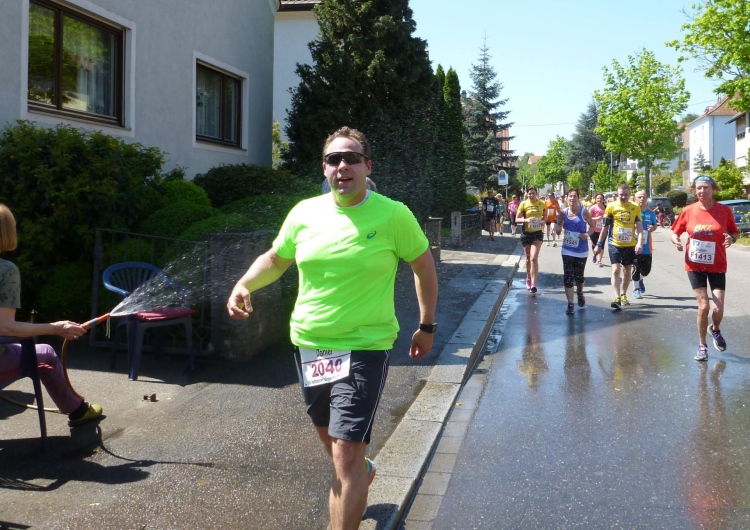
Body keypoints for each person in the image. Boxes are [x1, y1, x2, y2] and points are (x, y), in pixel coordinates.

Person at [227, 126, 438, 529]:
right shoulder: (304, 213)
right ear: (324, 169)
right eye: (333, 159)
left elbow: (423, 267)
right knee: (330, 437)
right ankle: (363, 470)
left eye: (351, 158)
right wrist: (244, 284)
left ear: (367, 166)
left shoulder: (394, 215)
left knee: (344, 451)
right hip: (311, 344)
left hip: (365, 346)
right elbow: (277, 258)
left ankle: (352, 479)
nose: (342, 165)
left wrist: (426, 325)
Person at [0, 204, 102, 427]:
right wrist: (56, 328)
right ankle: (77, 411)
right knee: (45, 352)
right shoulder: (6, 270)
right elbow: (5, 327)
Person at [670, 175, 739, 363]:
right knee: (704, 306)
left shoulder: (724, 211)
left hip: (717, 264)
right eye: (699, 188)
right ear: (694, 190)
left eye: (706, 187)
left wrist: (731, 238)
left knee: (718, 308)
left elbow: (735, 231)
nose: (702, 191)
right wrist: (676, 240)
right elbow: (675, 232)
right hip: (694, 264)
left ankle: (715, 329)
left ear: (713, 189)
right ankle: (702, 346)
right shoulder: (688, 211)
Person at [597, 183, 643, 311]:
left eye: (626, 195)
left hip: (629, 244)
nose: (623, 197)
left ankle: (623, 294)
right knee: (616, 270)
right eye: (621, 195)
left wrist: (639, 243)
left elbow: (640, 228)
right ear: (617, 194)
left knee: (627, 270)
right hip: (614, 244)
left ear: (630, 195)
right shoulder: (611, 207)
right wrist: (599, 244)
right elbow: (605, 228)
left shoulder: (635, 207)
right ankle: (616, 297)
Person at [556, 189, 596, 315]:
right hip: (567, 249)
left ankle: (580, 292)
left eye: (574, 196)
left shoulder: (584, 212)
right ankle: (570, 304)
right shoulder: (563, 212)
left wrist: (586, 234)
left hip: (581, 250)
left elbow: (592, 226)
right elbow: (558, 225)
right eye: (570, 196)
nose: (572, 198)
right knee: (568, 276)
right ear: (567, 198)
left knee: (579, 276)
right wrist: (558, 229)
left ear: (578, 198)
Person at [516, 186, 545, 294]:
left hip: (537, 233)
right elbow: (517, 219)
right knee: (528, 259)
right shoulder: (523, 204)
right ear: (527, 194)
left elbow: (545, 216)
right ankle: (528, 277)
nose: (531, 195)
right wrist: (526, 220)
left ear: (536, 194)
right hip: (526, 233)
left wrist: (543, 221)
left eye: (533, 193)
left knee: (533, 258)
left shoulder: (542, 204)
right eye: (529, 193)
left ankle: (533, 283)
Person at [632, 190, 658, 299]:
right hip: (633, 245)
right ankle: (636, 289)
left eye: (644, 197)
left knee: (646, 270)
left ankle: (640, 279)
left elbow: (655, 226)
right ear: (635, 199)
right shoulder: (632, 211)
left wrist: (653, 228)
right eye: (639, 197)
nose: (642, 199)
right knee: (636, 268)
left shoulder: (651, 213)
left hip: (646, 246)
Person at [588, 192, 606, 267]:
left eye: (601, 198)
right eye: (598, 198)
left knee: (601, 245)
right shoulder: (592, 208)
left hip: (603, 230)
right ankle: (595, 254)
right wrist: (596, 218)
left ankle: (599, 260)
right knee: (595, 245)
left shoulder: (606, 208)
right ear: (595, 199)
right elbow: (588, 218)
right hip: (594, 230)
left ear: (603, 199)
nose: (599, 200)